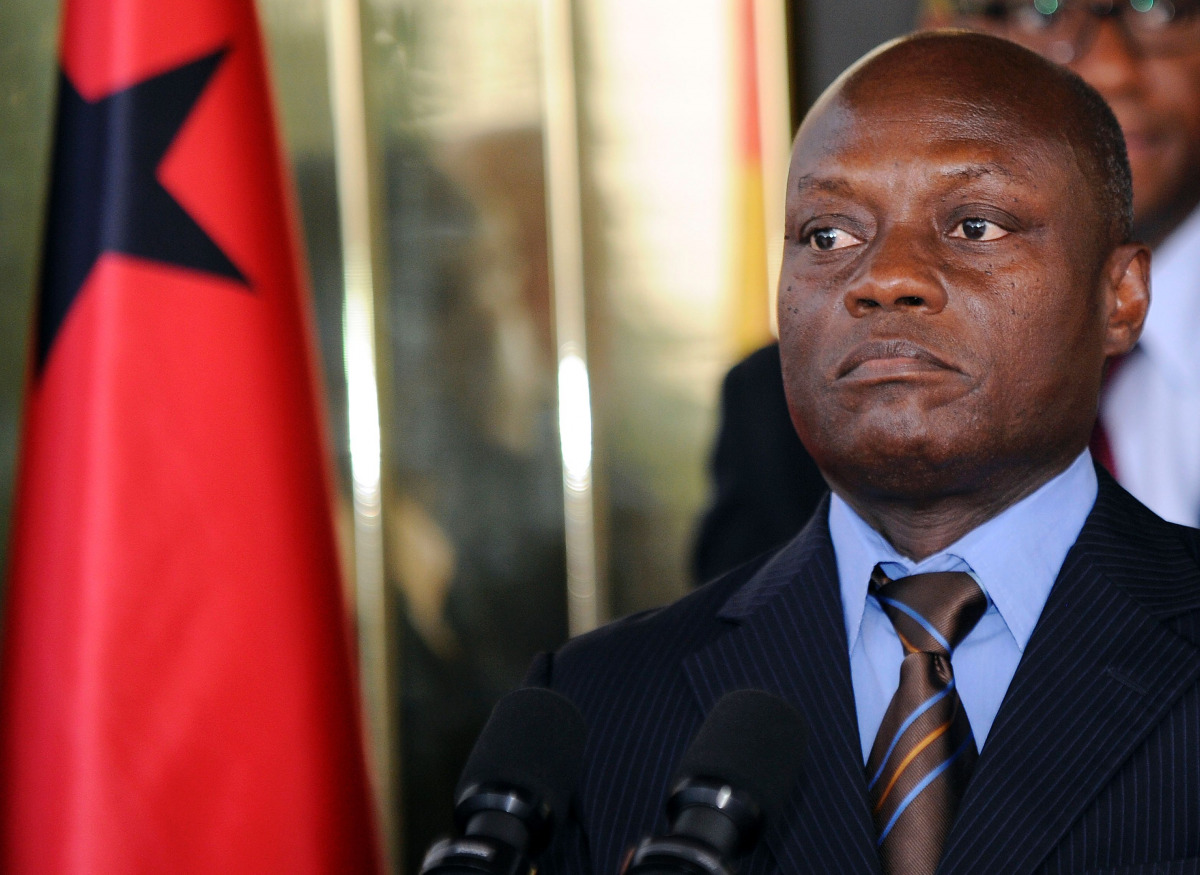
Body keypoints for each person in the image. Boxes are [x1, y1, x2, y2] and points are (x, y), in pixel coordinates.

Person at [526, 32, 1200, 875]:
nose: (886, 277)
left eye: (974, 224)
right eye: (828, 236)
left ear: (1121, 296)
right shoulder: (598, 707)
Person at [692, 0, 1200, 584]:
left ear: (1125, 294)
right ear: (940, 31)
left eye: (1160, 8)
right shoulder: (788, 408)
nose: (1112, 68)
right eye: (1041, 9)